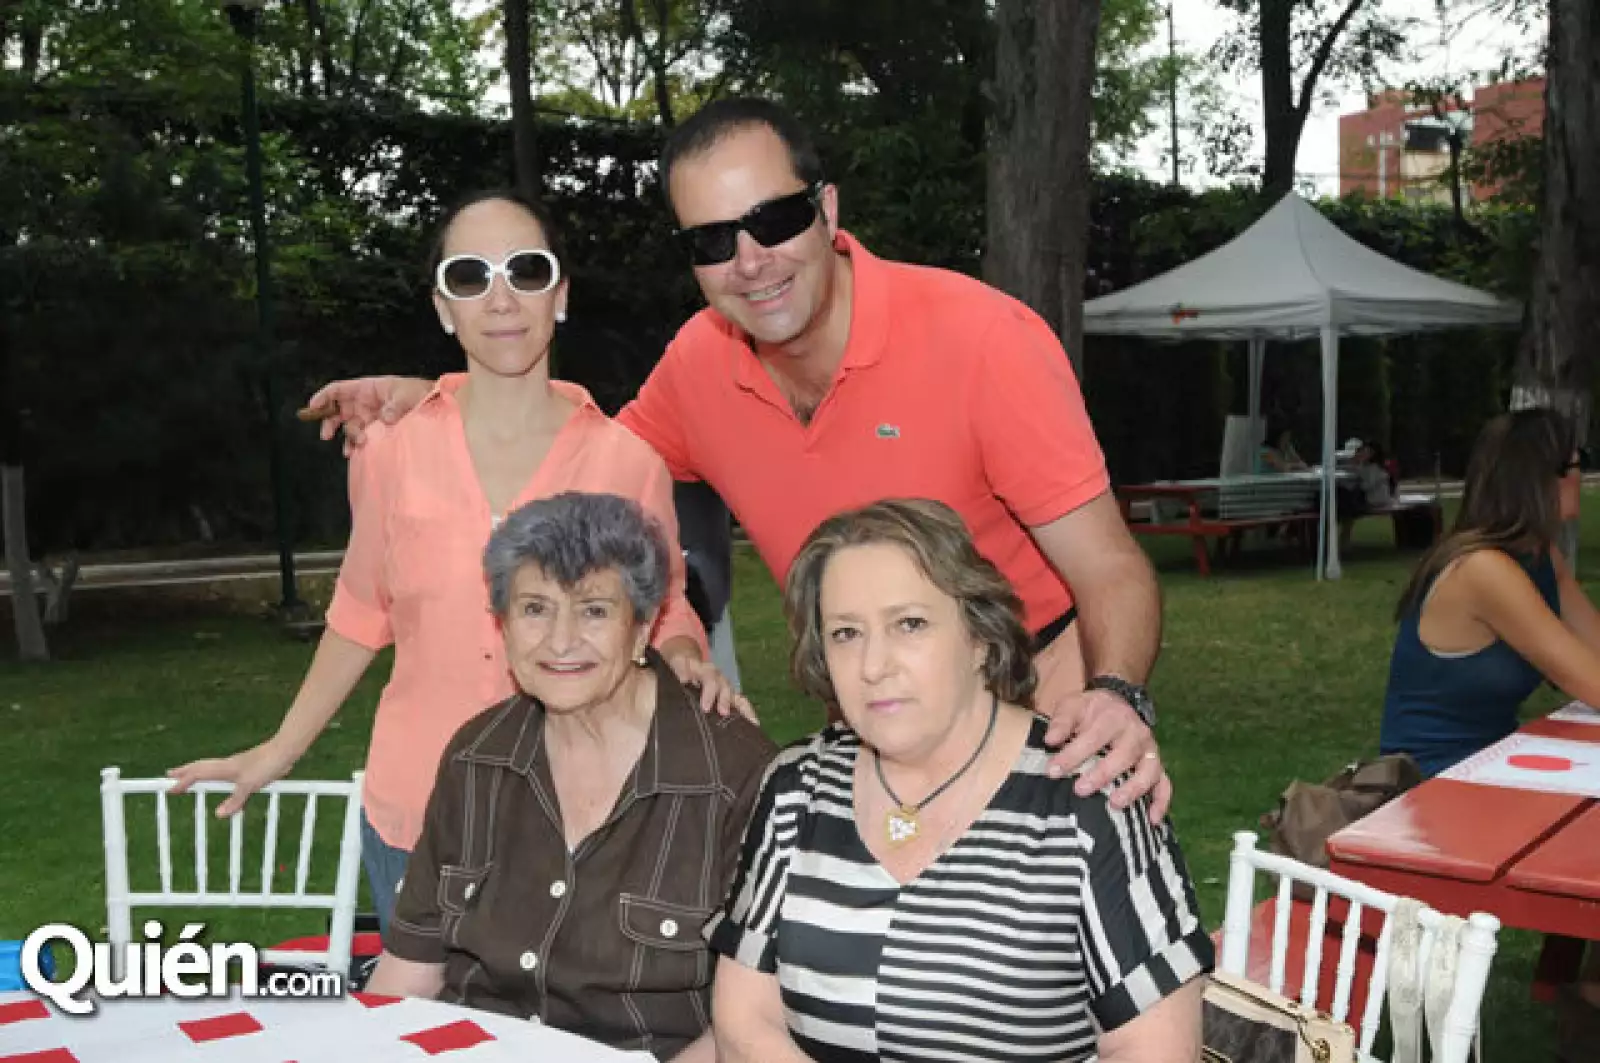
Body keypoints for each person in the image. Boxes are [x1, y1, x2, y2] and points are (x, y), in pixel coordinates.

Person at [304, 96, 1172, 820]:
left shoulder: (985, 341)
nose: (749, 261)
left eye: (775, 219)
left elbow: (1112, 570)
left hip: (1035, 705)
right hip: (869, 718)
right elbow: (578, 452)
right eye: (713, 240)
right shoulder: (698, 365)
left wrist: (1117, 697)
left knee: (1060, 1003)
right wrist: (447, 393)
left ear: (828, 211)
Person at [169, 190, 745, 937]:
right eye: (472, 276)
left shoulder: (627, 461)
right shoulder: (388, 451)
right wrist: (279, 750)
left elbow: (665, 604)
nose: (501, 298)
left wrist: (683, 655)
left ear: (560, 295)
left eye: (527, 271)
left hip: (578, 822)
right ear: (444, 307)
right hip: (416, 814)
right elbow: (358, 612)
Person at [705, 499, 1210, 1062]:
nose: (874, 665)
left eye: (909, 624)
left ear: (980, 639)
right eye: (846, 633)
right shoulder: (798, 789)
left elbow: (1155, 1050)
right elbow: (744, 1022)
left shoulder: (1088, 800)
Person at [364, 492, 776, 1062]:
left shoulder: (733, 775)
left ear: (642, 629)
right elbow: (410, 973)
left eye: (593, 610)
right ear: (502, 625)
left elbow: (749, 1025)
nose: (560, 641)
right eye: (535, 608)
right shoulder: (477, 757)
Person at [1381, 408, 1600, 778]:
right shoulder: (1483, 570)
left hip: (1494, 766)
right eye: (1581, 463)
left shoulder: (1540, 556)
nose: (1584, 475)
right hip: (1432, 784)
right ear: (1546, 477)